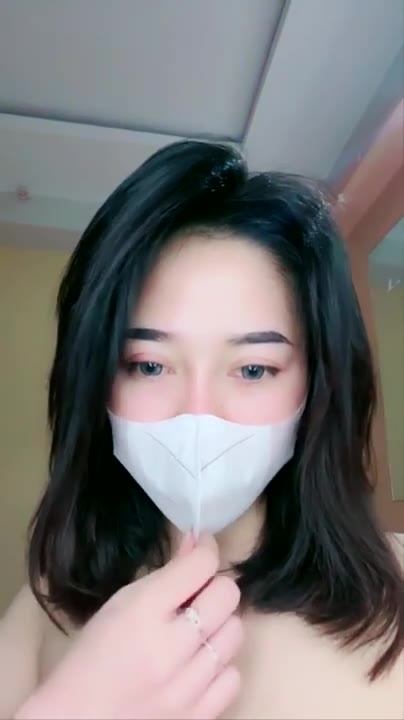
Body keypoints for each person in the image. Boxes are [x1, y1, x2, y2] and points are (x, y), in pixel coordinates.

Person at [0, 141, 403, 719]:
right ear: (97, 380)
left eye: (253, 369)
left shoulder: (396, 587)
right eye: (148, 365)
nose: (197, 415)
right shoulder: (47, 602)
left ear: (317, 384)